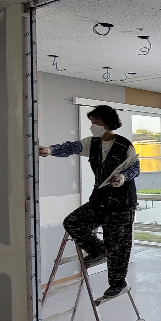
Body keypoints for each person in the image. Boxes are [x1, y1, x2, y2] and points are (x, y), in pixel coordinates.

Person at [39, 105, 140, 299]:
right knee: (73, 222)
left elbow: (135, 168)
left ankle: (117, 283)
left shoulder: (124, 145)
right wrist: (50, 150)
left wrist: (123, 177)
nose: (93, 126)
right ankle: (98, 250)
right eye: (92, 122)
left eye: (96, 122)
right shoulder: (91, 143)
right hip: (100, 200)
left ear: (107, 122)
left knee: (118, 244)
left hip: (122, 204)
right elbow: (71, 147)